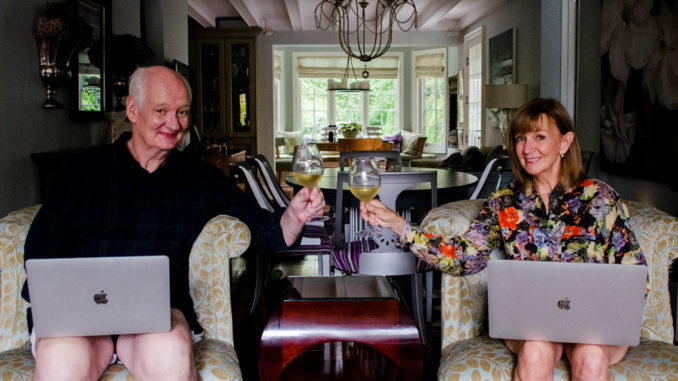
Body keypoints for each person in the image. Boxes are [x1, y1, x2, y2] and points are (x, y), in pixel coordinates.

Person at [22, 65, 325, 380]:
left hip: (158, 317)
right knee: (60, 359)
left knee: (170, 351)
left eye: (182, 112)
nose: (174, 123)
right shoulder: (80, 170)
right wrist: (52, 306)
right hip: (78, 315)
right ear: (132, 109)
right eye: (161, 110)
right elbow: (41, 248)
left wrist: (295, 214)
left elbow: (266, 231)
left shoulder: (200, 177)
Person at [360, 98, 645, 381]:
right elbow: (465, 257)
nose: (527, 148)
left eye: (540, 137)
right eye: (521, 138)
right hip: (531, 319)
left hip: (594, 321)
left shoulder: (600, 197)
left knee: (591, 355)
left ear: (564, 143)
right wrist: (399, 226)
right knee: (535, 351)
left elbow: (635, 272)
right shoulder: (504, 202)